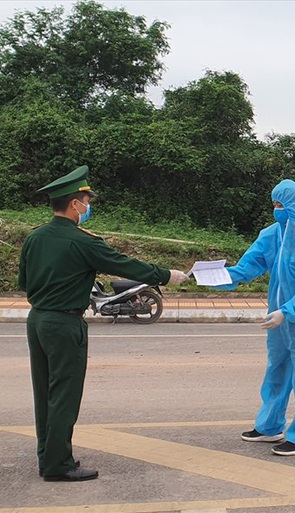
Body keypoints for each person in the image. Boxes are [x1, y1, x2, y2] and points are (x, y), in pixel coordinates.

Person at [18, 165, 189, 482]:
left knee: (44, 393)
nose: (88, 206)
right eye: (86, 200)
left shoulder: (34, 237)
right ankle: (58, 465)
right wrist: (168, 275)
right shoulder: (83, 242)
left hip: (37, 321)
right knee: (64, 396)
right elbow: (124, 265)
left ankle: (49, 456)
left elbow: (24, 282)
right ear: (74, 204)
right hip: (65, 325)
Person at [216, 179, 295, 456]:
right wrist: (212, 277)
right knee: (277, 370)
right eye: (274, 204)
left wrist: (289, 311)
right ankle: (269, 426)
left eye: (281, 204)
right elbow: (248, 266)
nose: (277, 209)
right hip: (278, 319)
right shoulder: (271, 235)